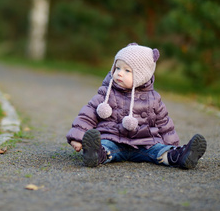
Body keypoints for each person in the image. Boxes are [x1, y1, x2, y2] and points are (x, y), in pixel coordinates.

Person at [66, 43, 207, 169]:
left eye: (127, 71)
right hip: (112, 139)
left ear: (142, 76)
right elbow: (87, 114)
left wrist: (172, 144)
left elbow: (165, 125)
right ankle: (95, 154)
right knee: (105, 148)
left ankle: (179, 156)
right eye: (117, 68)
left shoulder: (153, 99)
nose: (119, 73)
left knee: (159, 151)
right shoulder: (106, 94)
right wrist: (77, 137)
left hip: (144, 143)